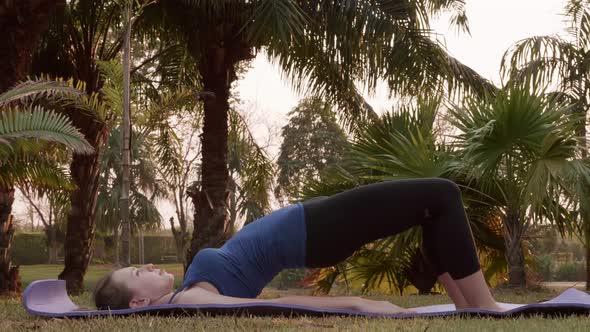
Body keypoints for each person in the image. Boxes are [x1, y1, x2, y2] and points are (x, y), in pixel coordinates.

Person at [93, 178, 505, 314]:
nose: (145, 267)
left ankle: (469, 311)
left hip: (316, 223)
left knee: (430, 210)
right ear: (137, 305)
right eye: (136, 274)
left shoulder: (189, 290)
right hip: (317, 229)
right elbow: (273, 305)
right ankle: (485, 311)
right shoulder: (188, 301)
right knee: (443, 194)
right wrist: (358, 305)